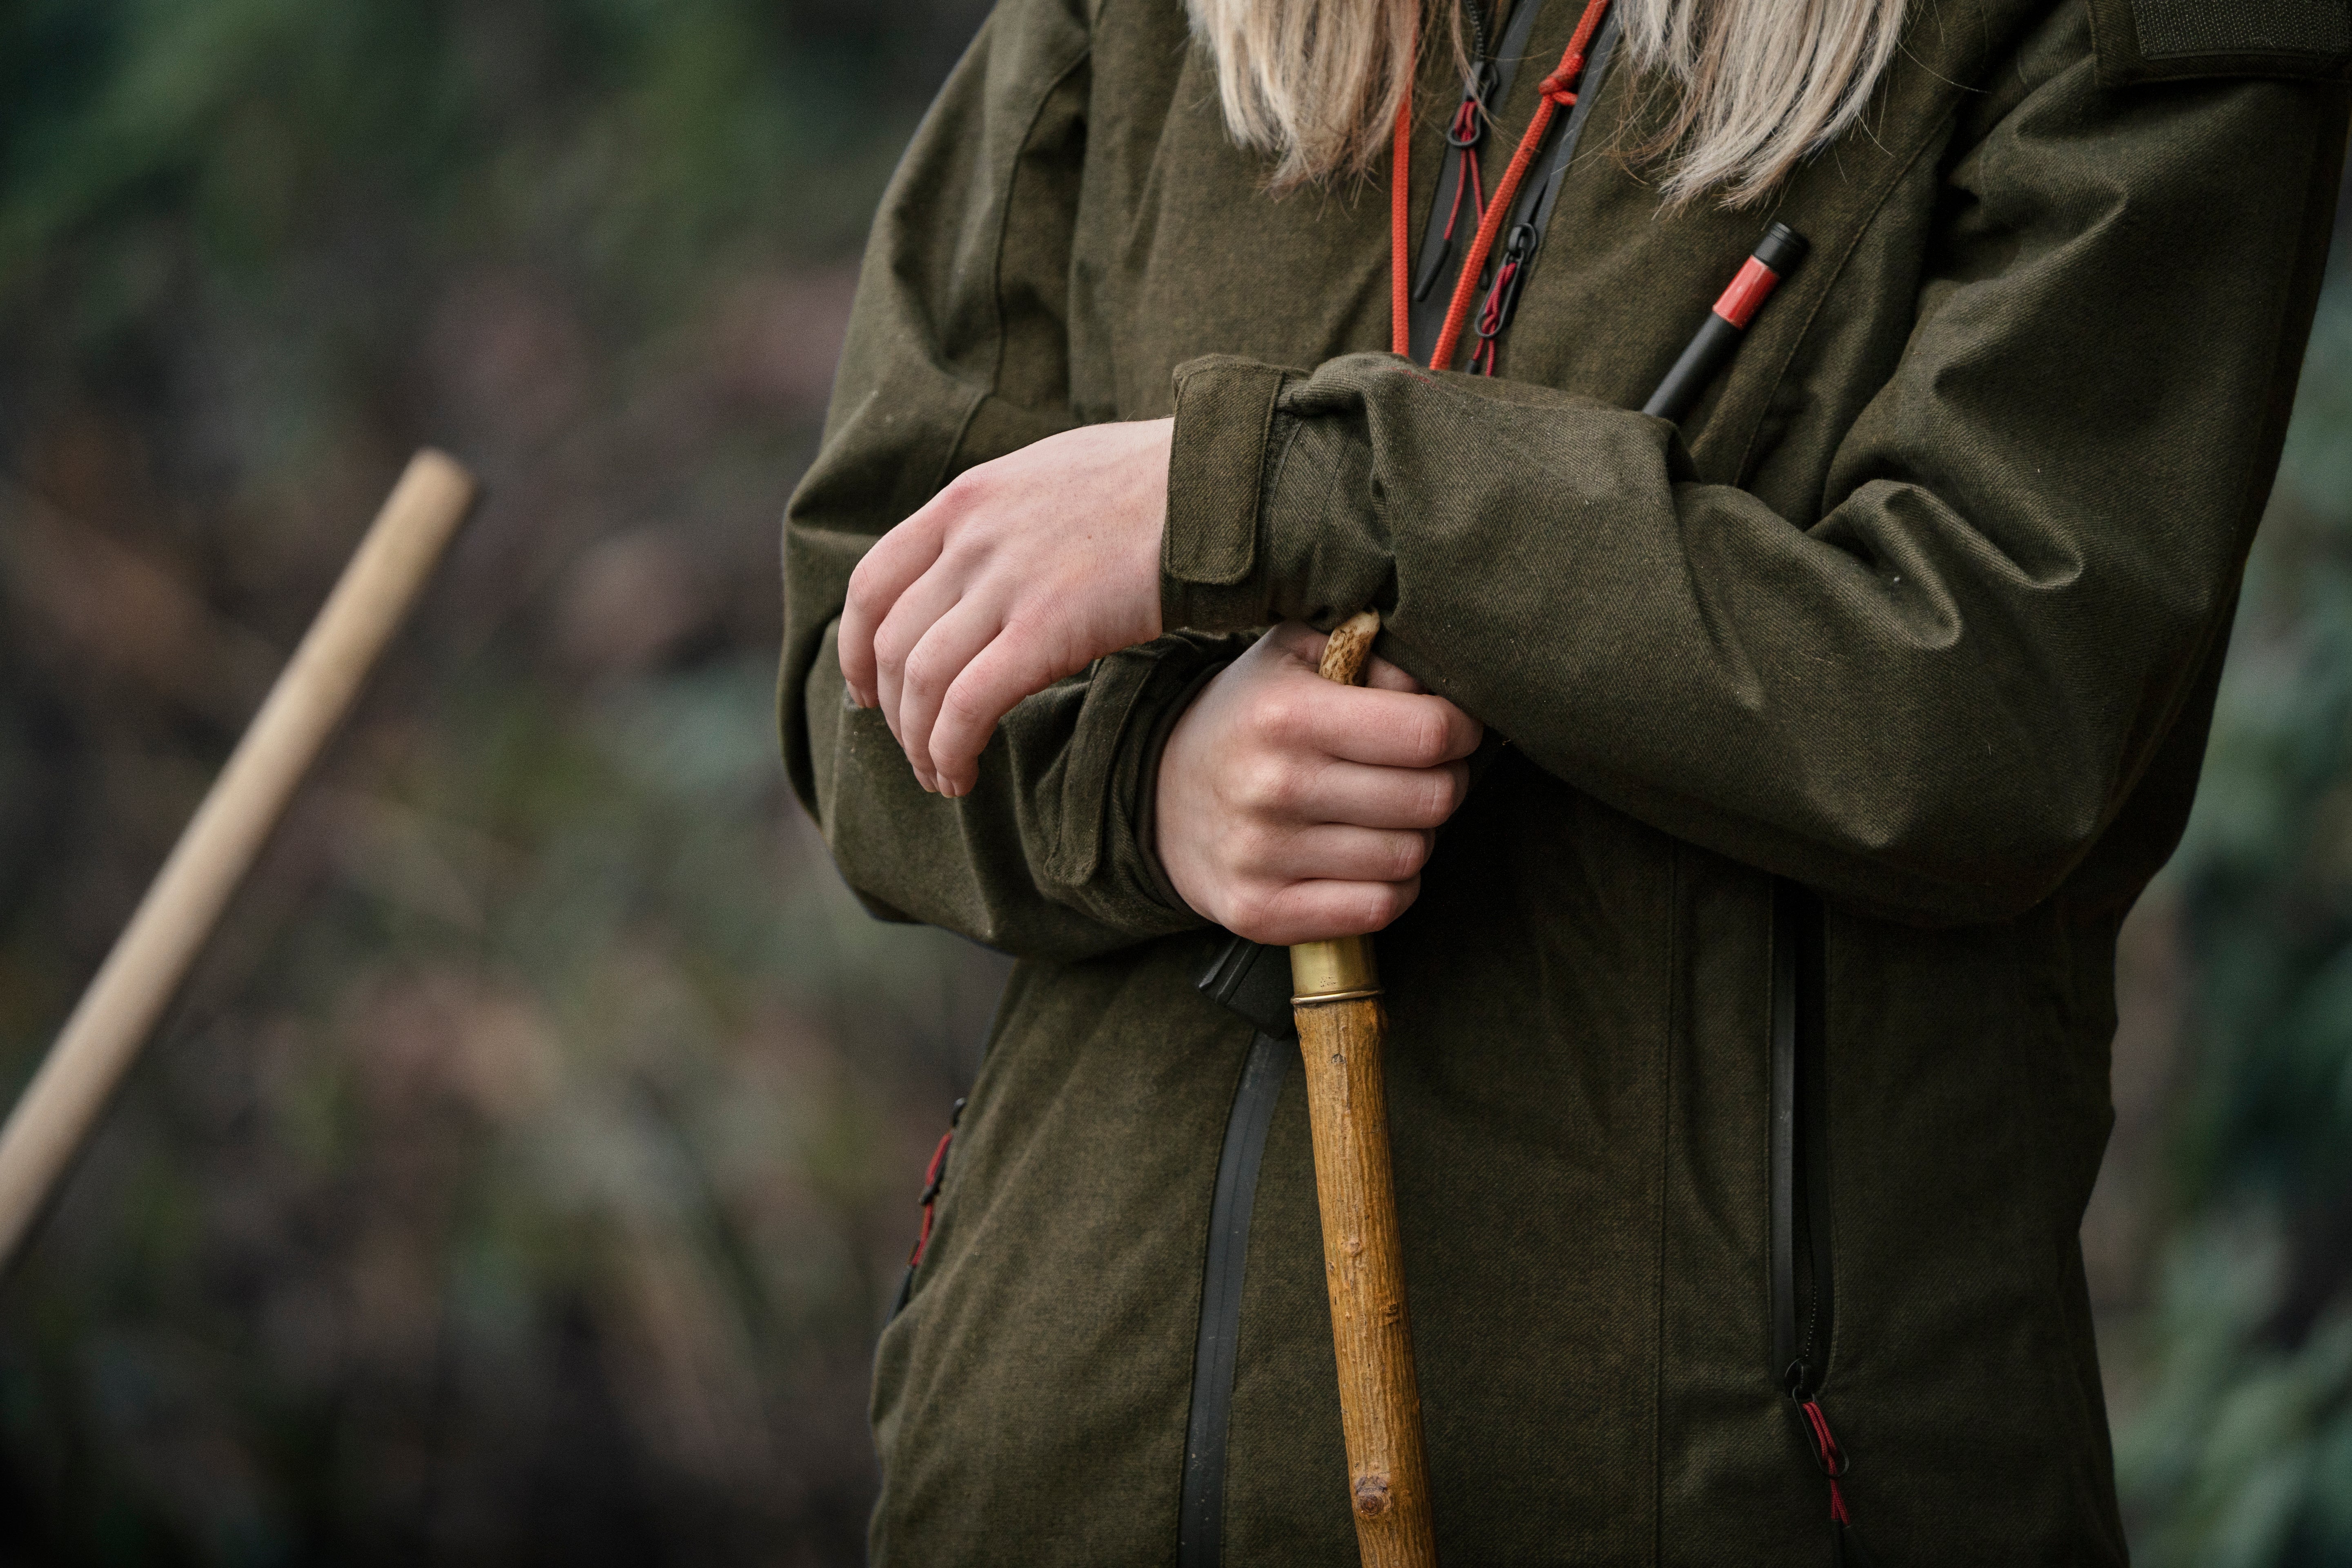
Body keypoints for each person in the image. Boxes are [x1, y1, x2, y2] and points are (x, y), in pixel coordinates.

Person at [778, 0, 2349, 1559]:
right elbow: (856, 659)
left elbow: (1992, 707)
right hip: (1051, 1482)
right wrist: (1152, 790)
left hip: (1745, 1500)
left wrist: (1302, 487)